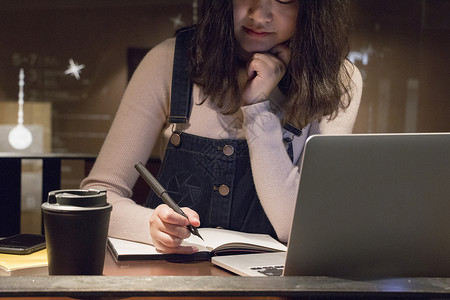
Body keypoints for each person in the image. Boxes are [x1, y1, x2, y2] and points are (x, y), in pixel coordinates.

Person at [81, 0, 362, 255]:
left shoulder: (338, 81)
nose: (259, 15)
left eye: (284, 0)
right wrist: (150, 225)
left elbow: (300, 227)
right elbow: (98, 197)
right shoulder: (170, 61)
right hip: (173, 281)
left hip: (273, 286)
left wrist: (257, 109)